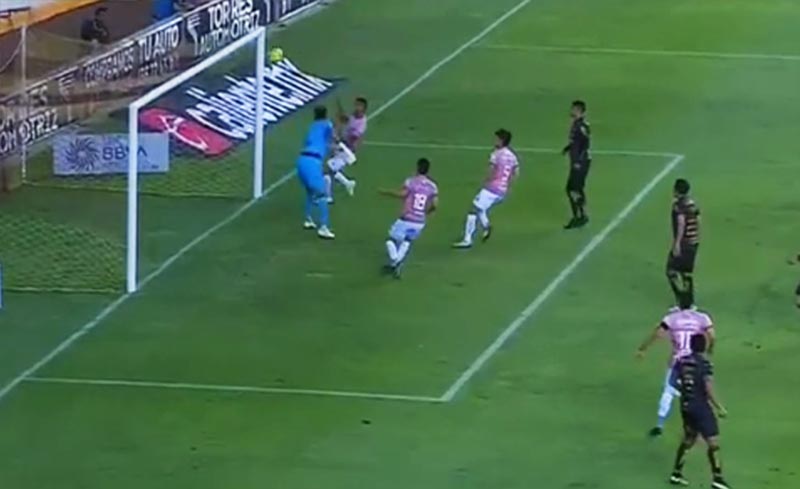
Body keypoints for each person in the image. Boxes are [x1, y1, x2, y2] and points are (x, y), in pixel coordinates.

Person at [637, 293, 716, 437]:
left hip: (677, 360)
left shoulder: (671, 318)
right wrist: (710, 348)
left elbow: (658, 334)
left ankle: (660, 424)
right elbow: (712, 335)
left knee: (668, 390)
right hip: (696, 360)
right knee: (701, 390)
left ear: (678, 304)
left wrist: (643, 348)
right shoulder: (702, 317)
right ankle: (702, 423)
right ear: (693, 304)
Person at [668, 334, 730, 489]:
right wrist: (720, 408)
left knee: (689, 438)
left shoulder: (681, 362)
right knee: (713, 442)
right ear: (703, 346)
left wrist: (685, 391)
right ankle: (717, 478)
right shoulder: (704, 364)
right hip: (701, 408)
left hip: (686, 407)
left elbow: (672, 382)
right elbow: (708, 389)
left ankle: (676, 473)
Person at [452, 129, 518, 248]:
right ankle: (486, 226)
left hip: (492, 188)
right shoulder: (512, 156)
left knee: (472, 210)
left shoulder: (496, 154)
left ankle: (467, 240)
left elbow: (491, 171)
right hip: (502, 190)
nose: (494, 140)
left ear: (501, 140)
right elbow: (516, 172)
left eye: (496, 139)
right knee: (480, 208)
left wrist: (484, 182)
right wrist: (508, 186)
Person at [379, 158, 438, 278]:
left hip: (406, 218)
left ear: (417, 168)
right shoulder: (432, 186)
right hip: (420, 221)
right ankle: (396, 264)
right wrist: (426, 212)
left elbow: (403, 194)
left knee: (390, 240)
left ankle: (395, 260)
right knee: (407, 240)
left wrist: (386, 192)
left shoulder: (411, 182)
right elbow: (435, 205)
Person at [296, 106, 336, 239]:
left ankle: (308, 219)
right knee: (322, 194)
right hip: (312, 162)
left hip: (302, 160)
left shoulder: (312, 127)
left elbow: (312, 142)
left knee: (310, 191)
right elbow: (334, 137)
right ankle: (324, 227)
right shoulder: (327, 124)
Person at [324, 97, 368, 203]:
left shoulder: (362, 123)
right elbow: (345, 120)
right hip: (342, 148)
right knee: (332, 170)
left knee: (327, 170)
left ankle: (329, 197)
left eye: (359, 106)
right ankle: (347, 183)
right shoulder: (354, 116)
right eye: (356, 104)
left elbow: (353, 139)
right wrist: (340, 110)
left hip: (347, 151)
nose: (356, 107)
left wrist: (339, 139)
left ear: (364, 108)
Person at [667, 178, 701, 304]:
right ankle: (689, 301)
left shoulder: (678, 206)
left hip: (684, 243)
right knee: (686, 273)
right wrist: (696, 237)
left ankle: (681, 298)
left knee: (671, 270)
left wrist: (677, 243)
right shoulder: (692, 203)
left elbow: (681, 223)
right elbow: (698, 220)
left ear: (676, 190)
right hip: (693, 242)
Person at [562, 100, 591, 229]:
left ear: (580, 111)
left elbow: (585, 144)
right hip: (578, 162)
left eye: (574, 109)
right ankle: (581, 214)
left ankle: (580, 216)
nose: (572, 111)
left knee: (572, 189)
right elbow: (576, 142)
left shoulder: (581, 126)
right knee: (574, 189)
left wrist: (578, 161)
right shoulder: (576, 124)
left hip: (581, 162)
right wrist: (568, 148)